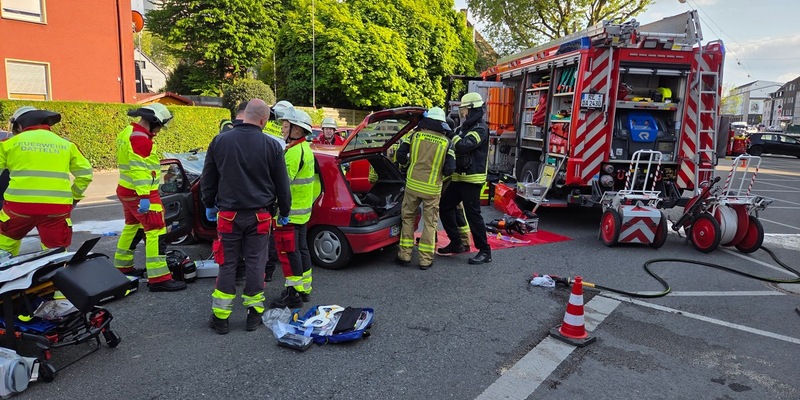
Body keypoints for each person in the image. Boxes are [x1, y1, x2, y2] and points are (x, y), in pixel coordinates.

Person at [202, 99, 291, 334]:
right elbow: (282, 185)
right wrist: (285, 210)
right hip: (260, 217)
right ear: (263, 120)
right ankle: (254, 315)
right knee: (256, 263)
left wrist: (208, 204)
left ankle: (221, 318)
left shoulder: (220, 141)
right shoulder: (272, 146)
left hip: (228, 215)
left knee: (227, 263)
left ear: (243, 115)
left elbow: (208, 178)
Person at [0, 106, 93, 255]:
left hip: (19, 208)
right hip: (57, 209)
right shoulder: (66, 145)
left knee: (4, 247)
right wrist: (73, 197)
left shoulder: (8, 144)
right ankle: (52, 277)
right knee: (55, 253)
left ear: (19, 125)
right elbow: (86, 174)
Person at [114, 104, 187, 292]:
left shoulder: (127, 132)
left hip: (127, 190)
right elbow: (139, 170)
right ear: (154, 121)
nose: (160, 130)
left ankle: (122, 267)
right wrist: (145, 197)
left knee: (132, 227)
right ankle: (159, 278)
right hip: (141, 192)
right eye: (160, 126)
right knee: (155, 230)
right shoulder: (141, 139)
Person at [267, 108, 316, 308]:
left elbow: (282, 186)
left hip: (289, 214)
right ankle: (304, 290)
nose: (282, 131)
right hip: (302, 212)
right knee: (301, 250)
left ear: (296, 129)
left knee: (289, 253)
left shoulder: (294, 153)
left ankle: (293, 295)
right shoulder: (305, 149)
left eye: (286, 127)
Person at [395, 107, 455, 270]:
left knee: (407, 218)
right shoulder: (447, 142)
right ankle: (425, 260)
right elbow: (450, 168)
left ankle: (404, 255)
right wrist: (439, 175)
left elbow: (400, 156)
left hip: (412, 185)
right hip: (432, 189)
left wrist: (408, 165)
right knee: (430, 223)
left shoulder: (414, 136)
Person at [438, 92, 492, 264]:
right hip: (459, 178)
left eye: (465, 110)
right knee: (445, 206)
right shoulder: (463, 128)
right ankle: (456, 243)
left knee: (473, 215)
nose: (463, 113)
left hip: (472, 180)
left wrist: (450, 134)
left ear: (473, 109)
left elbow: (463, 146)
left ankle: (485, 252)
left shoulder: (480, 128)